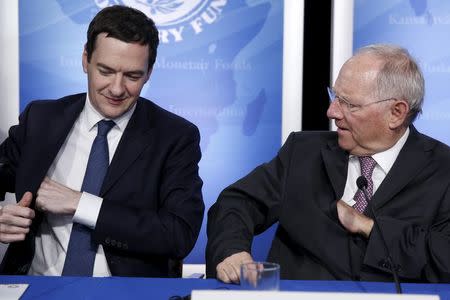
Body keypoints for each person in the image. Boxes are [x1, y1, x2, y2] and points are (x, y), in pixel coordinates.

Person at [206, 44, 450, 283]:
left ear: (396, 113)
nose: (332, 112)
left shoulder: (443, 169)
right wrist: (232, 250)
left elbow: (443, 257)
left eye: (350, 104)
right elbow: (237, 203)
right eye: (335, 96)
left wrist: (370, 228)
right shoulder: (303, 152)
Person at [0, 5, 204, 277]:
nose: (117, 88)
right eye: (105, 71)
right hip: (35, 287)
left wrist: (81, 204)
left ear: (149, 72)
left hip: (127, 294)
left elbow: (179, 234)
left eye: (133, 76)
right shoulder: (41, 119)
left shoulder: (174, 137)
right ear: (86, 59)